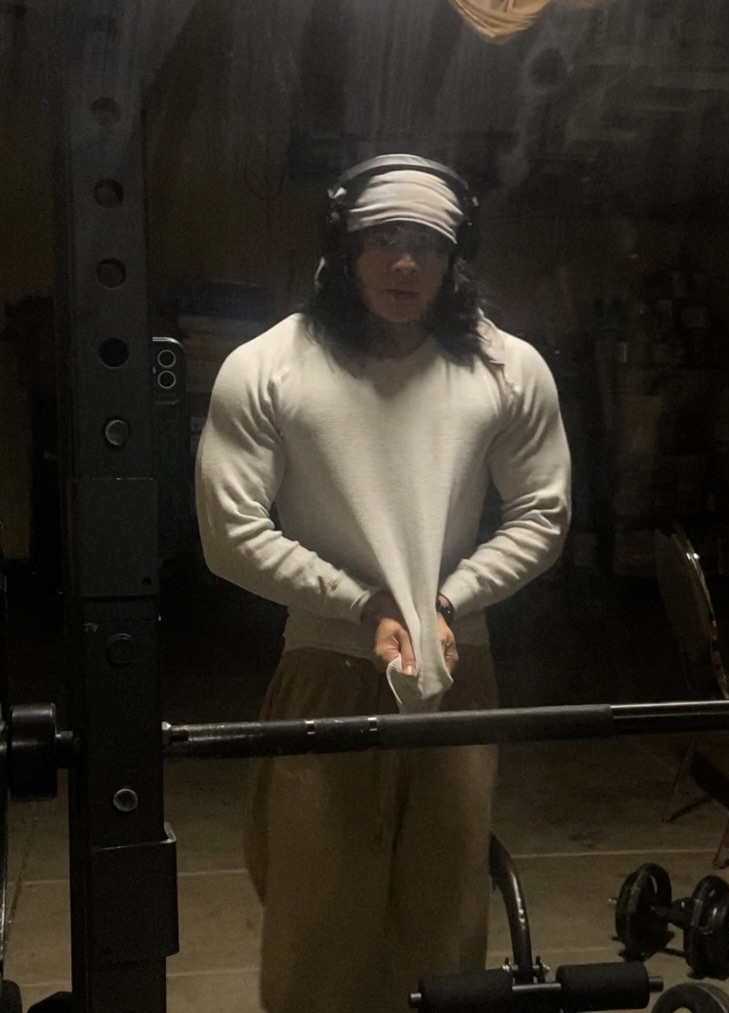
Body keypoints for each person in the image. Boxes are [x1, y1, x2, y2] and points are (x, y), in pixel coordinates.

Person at [195, 154, 571, 1013]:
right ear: (344, 247)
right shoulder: (269, 367)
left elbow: (544, 513)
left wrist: (448, 599)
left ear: (454, 257)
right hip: (325, 667)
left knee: (446, 921)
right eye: (384, 239)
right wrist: (361, 602)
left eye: (429, 245)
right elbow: (230, 532)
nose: (406, 263)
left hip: (457, 665)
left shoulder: (506, 369)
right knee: (315, 920)